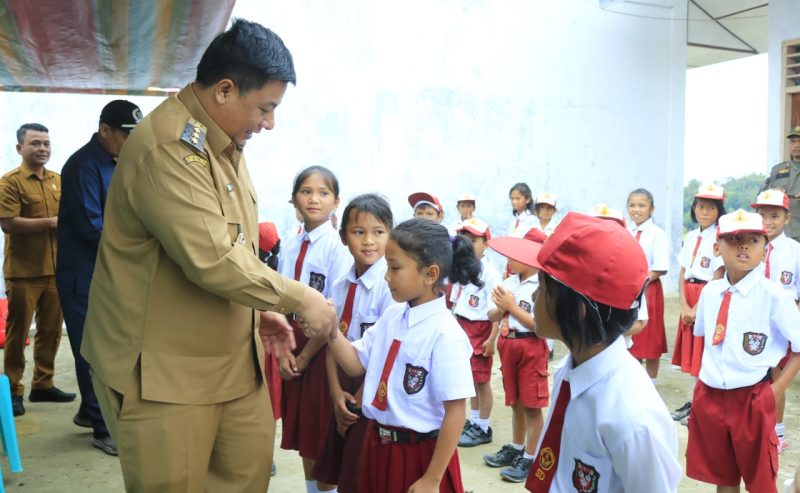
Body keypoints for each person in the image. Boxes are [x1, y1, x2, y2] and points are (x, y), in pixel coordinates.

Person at [80, 20, 338, 492]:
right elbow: (213, 258)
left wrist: (259, 308)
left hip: (231, 362)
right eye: (265, 107)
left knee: (247, 476)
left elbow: (232, 244)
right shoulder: (170, 148)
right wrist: (297, 298)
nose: (269, 123)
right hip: (164, 375)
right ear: (224, 90)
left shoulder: (222, 141)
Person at [525, 212, 681, 493]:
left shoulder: (632, 417)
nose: (533, 298)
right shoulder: (571, 368)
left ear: (579, 309)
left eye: (543, 287)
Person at [321, 218, 480, 493]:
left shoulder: (446, 334)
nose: (386, 276)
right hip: (377, 445)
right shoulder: (393, 315)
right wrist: (332, 331)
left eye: (395, 268)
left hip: (419, 454)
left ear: (430, 274)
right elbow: (355, 364)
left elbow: (455, 412)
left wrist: (432, 479)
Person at [686, 209, 800, 493]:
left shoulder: (775, 295)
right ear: (716, 247)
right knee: (723, 477)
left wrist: (772, 393)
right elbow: (705, 338)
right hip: (711, 395)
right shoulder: (710, 292)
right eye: (734, 239)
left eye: (753, 239)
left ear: (765, 247)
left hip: (752, 397)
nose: (744, 246)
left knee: (760, 479)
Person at [56, 100, 142, 455]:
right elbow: (93, 226)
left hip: (107, 273)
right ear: (105, 129)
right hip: (83, 275)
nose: (130, 141)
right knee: (92, 352)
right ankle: (101, 426)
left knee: (109, 347)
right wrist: (140, 247)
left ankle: (89, 410)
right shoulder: (83, 166)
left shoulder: (116, 161)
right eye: (126, 135)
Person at [313, 193, 396, 493]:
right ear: (344, 237)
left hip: (370, 394)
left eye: (378, 232)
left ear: (391, 236)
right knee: (327, 470)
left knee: (359, 473)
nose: (369, 241)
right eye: (358, 232)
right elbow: (332, 342)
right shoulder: (339, 284)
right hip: (341, 387)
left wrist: (356, 403)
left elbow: (386, 356)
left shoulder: (390, 289)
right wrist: (336, 392)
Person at [278, 165, 350, 493]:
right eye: (306, 192)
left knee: (323, 434)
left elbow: (331, 317)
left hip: (320, 352)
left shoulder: (338, 249)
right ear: (294, 199)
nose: (314, 199)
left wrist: (305, 357)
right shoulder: (291, 244)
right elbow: (281, 299)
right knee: (305, 435)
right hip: (291, 343)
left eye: (323, 193)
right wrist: (284, 352)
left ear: (336, 201)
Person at [0, 123, 74, 418]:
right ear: (20, 148)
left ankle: (43, 384)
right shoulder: (10, 182)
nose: (42, 148)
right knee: (18, 335)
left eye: (46, 143)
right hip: (24, 273)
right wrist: (52, 223)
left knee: (51, 330)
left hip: (56, 270)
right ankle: (12, 390)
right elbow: (8, 223)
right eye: (35, 143)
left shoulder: (58, 181)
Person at [483, 228, 549, 483]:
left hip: (531, 346)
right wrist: (501, 310)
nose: (509, 259)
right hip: (508, 345)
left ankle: (531, 457)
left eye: (516, 254)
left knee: (532, 405)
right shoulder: (508, 283)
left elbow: (540, 326)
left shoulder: (542, 286)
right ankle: (516, 447)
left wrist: (511, 307)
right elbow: (490, 315)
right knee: (516, 402)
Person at [671, 183, 726, 425]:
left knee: (703, 353)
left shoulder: (720, 237)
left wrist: (696, 309)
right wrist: (683, 304)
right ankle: (695, 401)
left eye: (711, 208)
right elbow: (682, 272)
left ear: (719, 211)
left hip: (707, 294)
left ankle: (701, 405)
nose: (704, 212)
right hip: (689, 294)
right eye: (700, 207)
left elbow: (717, 274)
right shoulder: (691, 236)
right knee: (692, 354)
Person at [751, 189, 800, 454]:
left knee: (777, 376)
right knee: (757, 374)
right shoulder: (751, 246)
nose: (767, 221)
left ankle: (777, 432)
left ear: (787, 217)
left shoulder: (795, 251)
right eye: (762, 215)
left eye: (774, 215)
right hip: (756, 322)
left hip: (784, 324)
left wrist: (794, 322)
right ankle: (758, 426)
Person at [452, 218, 502, 448]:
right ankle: (473, 421)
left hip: (480, 329)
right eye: (466, 240)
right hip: (463, 326)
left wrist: (492, 339)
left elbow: (496, 311)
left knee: (481, 381)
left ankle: (483, 426)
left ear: (486, 243)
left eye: (474, 240)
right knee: (470, 379)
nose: (469, 245)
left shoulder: (490, 274)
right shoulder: (463, 268)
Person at [627, 188, 669, 384]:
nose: (636, 209)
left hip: (648, 290)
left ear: (652, 209)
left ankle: (650, 384)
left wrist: (641, 281)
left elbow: (660, 267)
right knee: (631, 335)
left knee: (650, 339)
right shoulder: (626, 231)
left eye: (642, 205)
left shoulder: (656, 234)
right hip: (628, 291)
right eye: (632, 205)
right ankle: (633, 382)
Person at [762, 126, 800, 241]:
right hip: (780, 233)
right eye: (793, 141)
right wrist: (773, 194)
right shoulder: (777, 170)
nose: (796, 145)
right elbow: (760, 197)